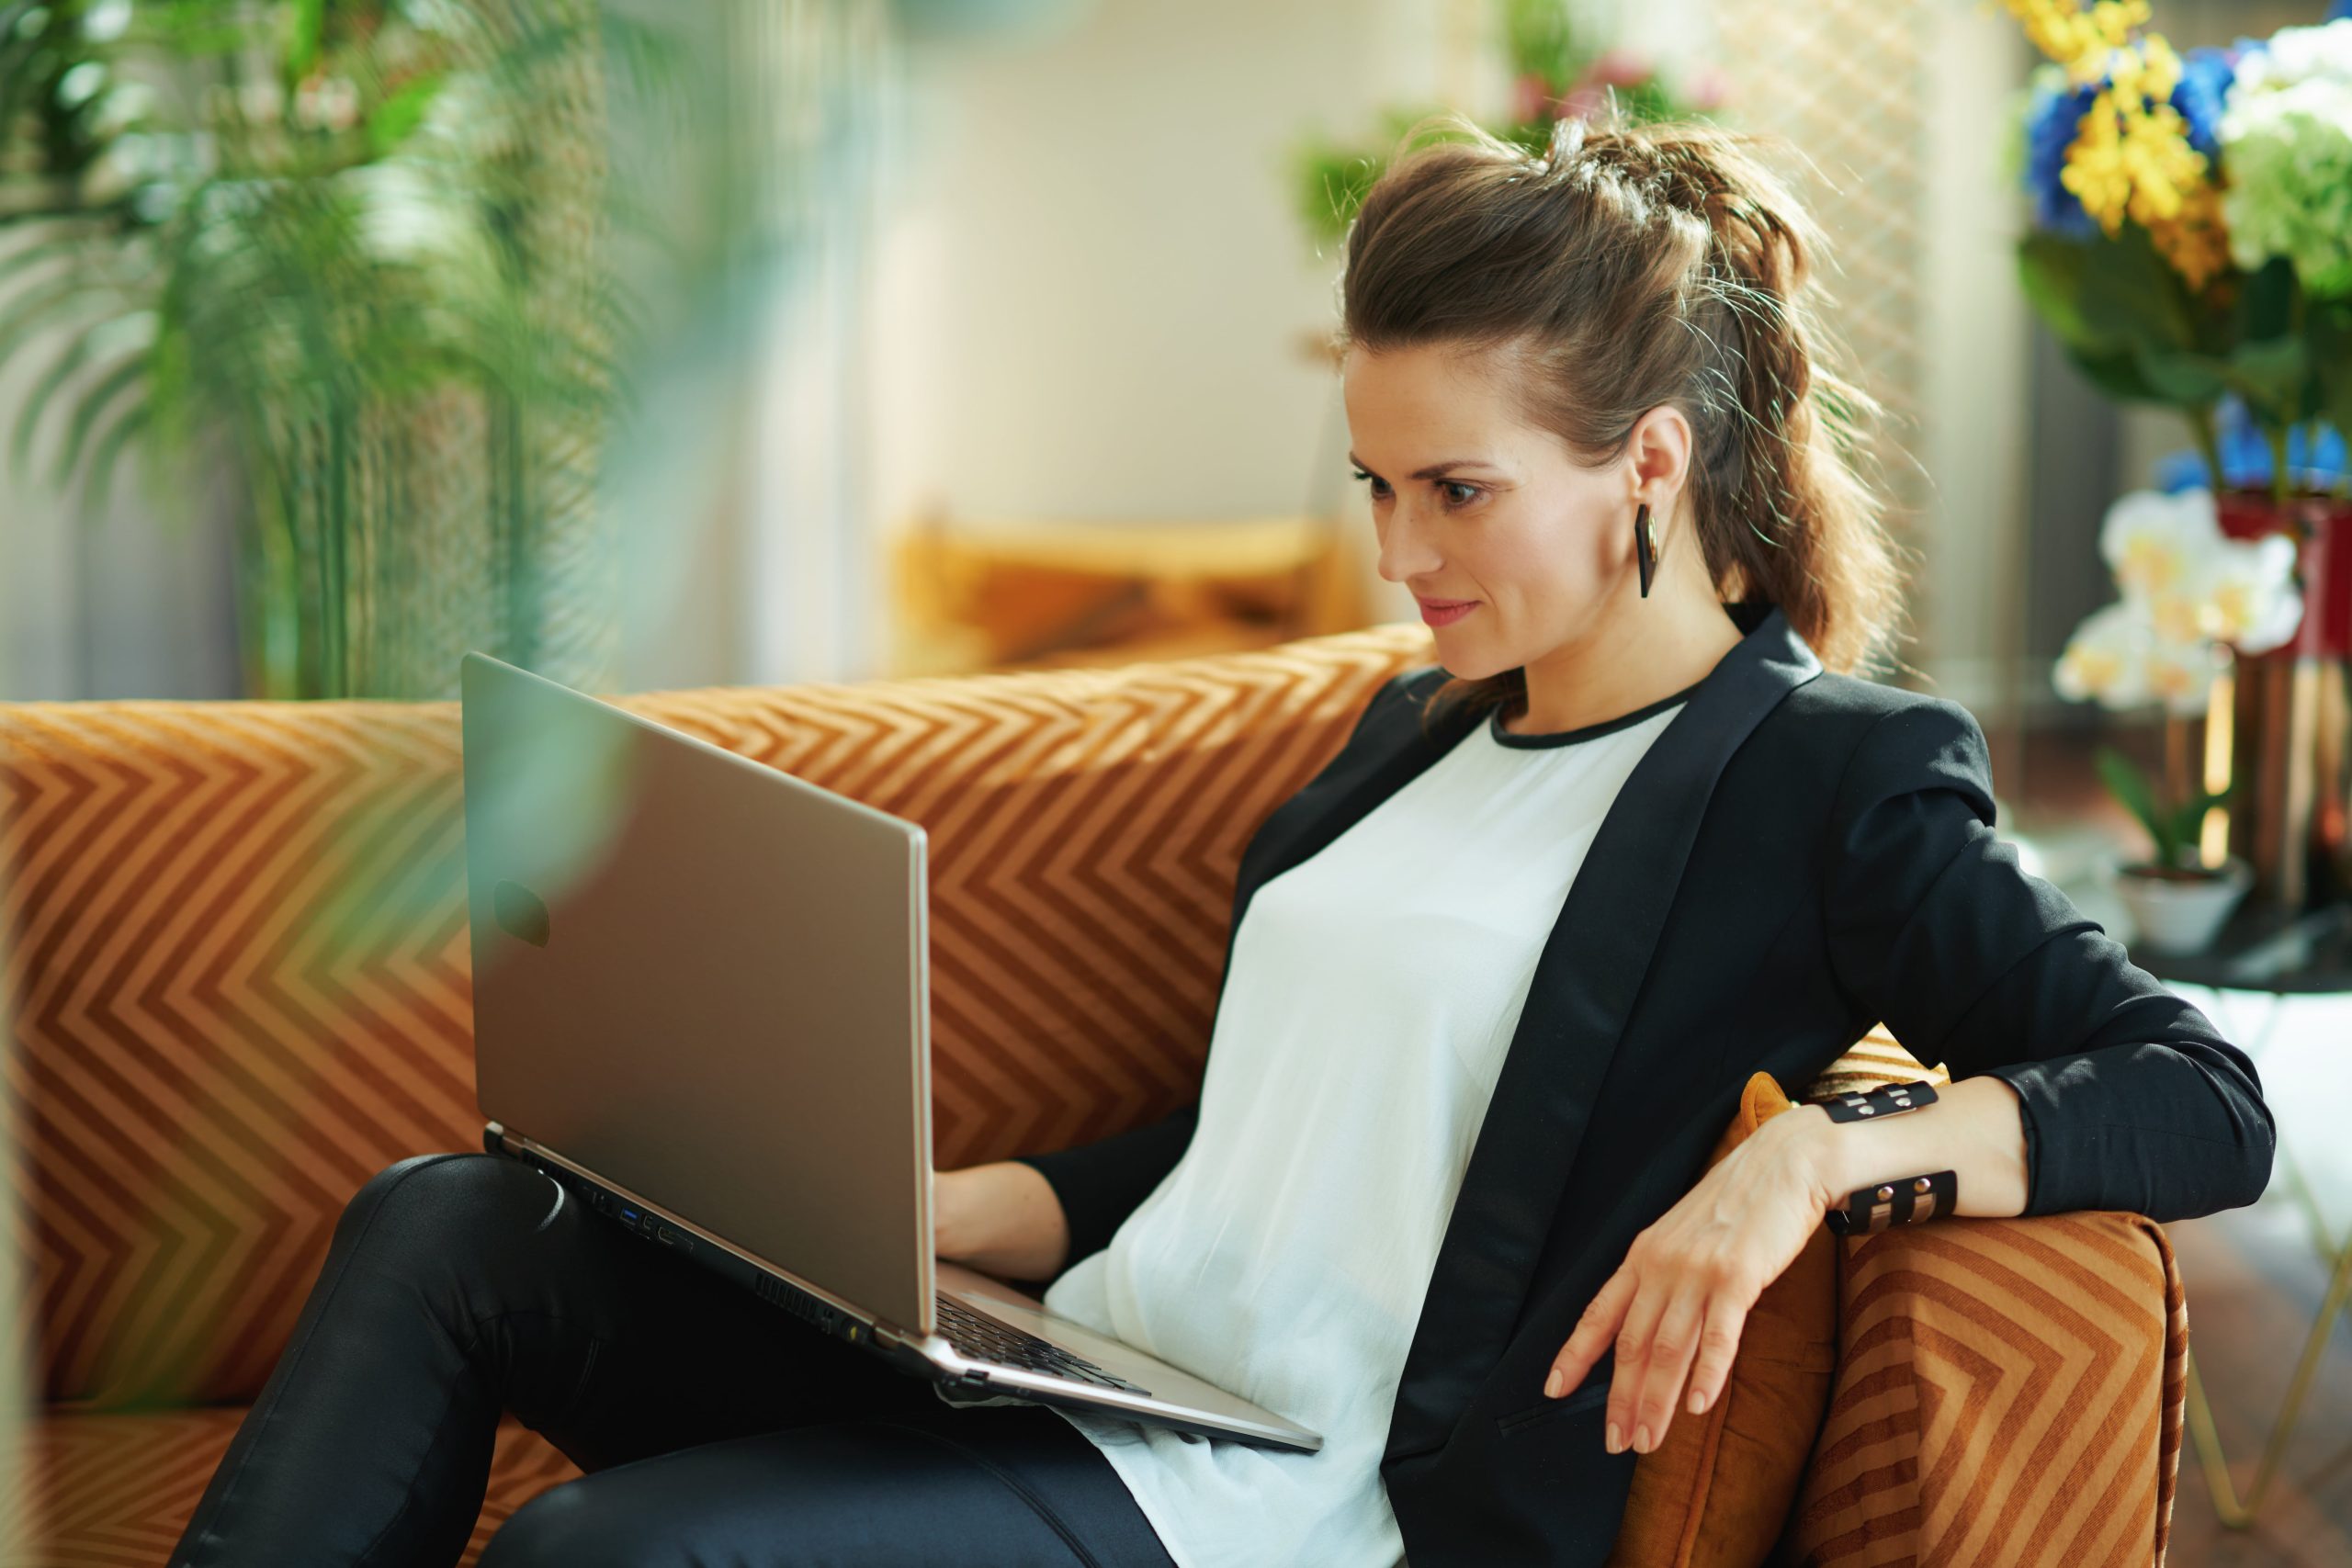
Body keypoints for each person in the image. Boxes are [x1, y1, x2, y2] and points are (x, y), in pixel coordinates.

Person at [168, 108, 2274, 1568]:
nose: (1394, 551)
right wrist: (937, 1204)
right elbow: (1270, 1140)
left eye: (1453, 491)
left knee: (597, 1551)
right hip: (1093, 1368)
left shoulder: (1827, 777)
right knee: (451, 1220)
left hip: (1290, 1501)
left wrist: (1815, 1153)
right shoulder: (1401, 736)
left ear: (1646, 464)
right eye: (1372, 486)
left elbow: (2199, 1093)